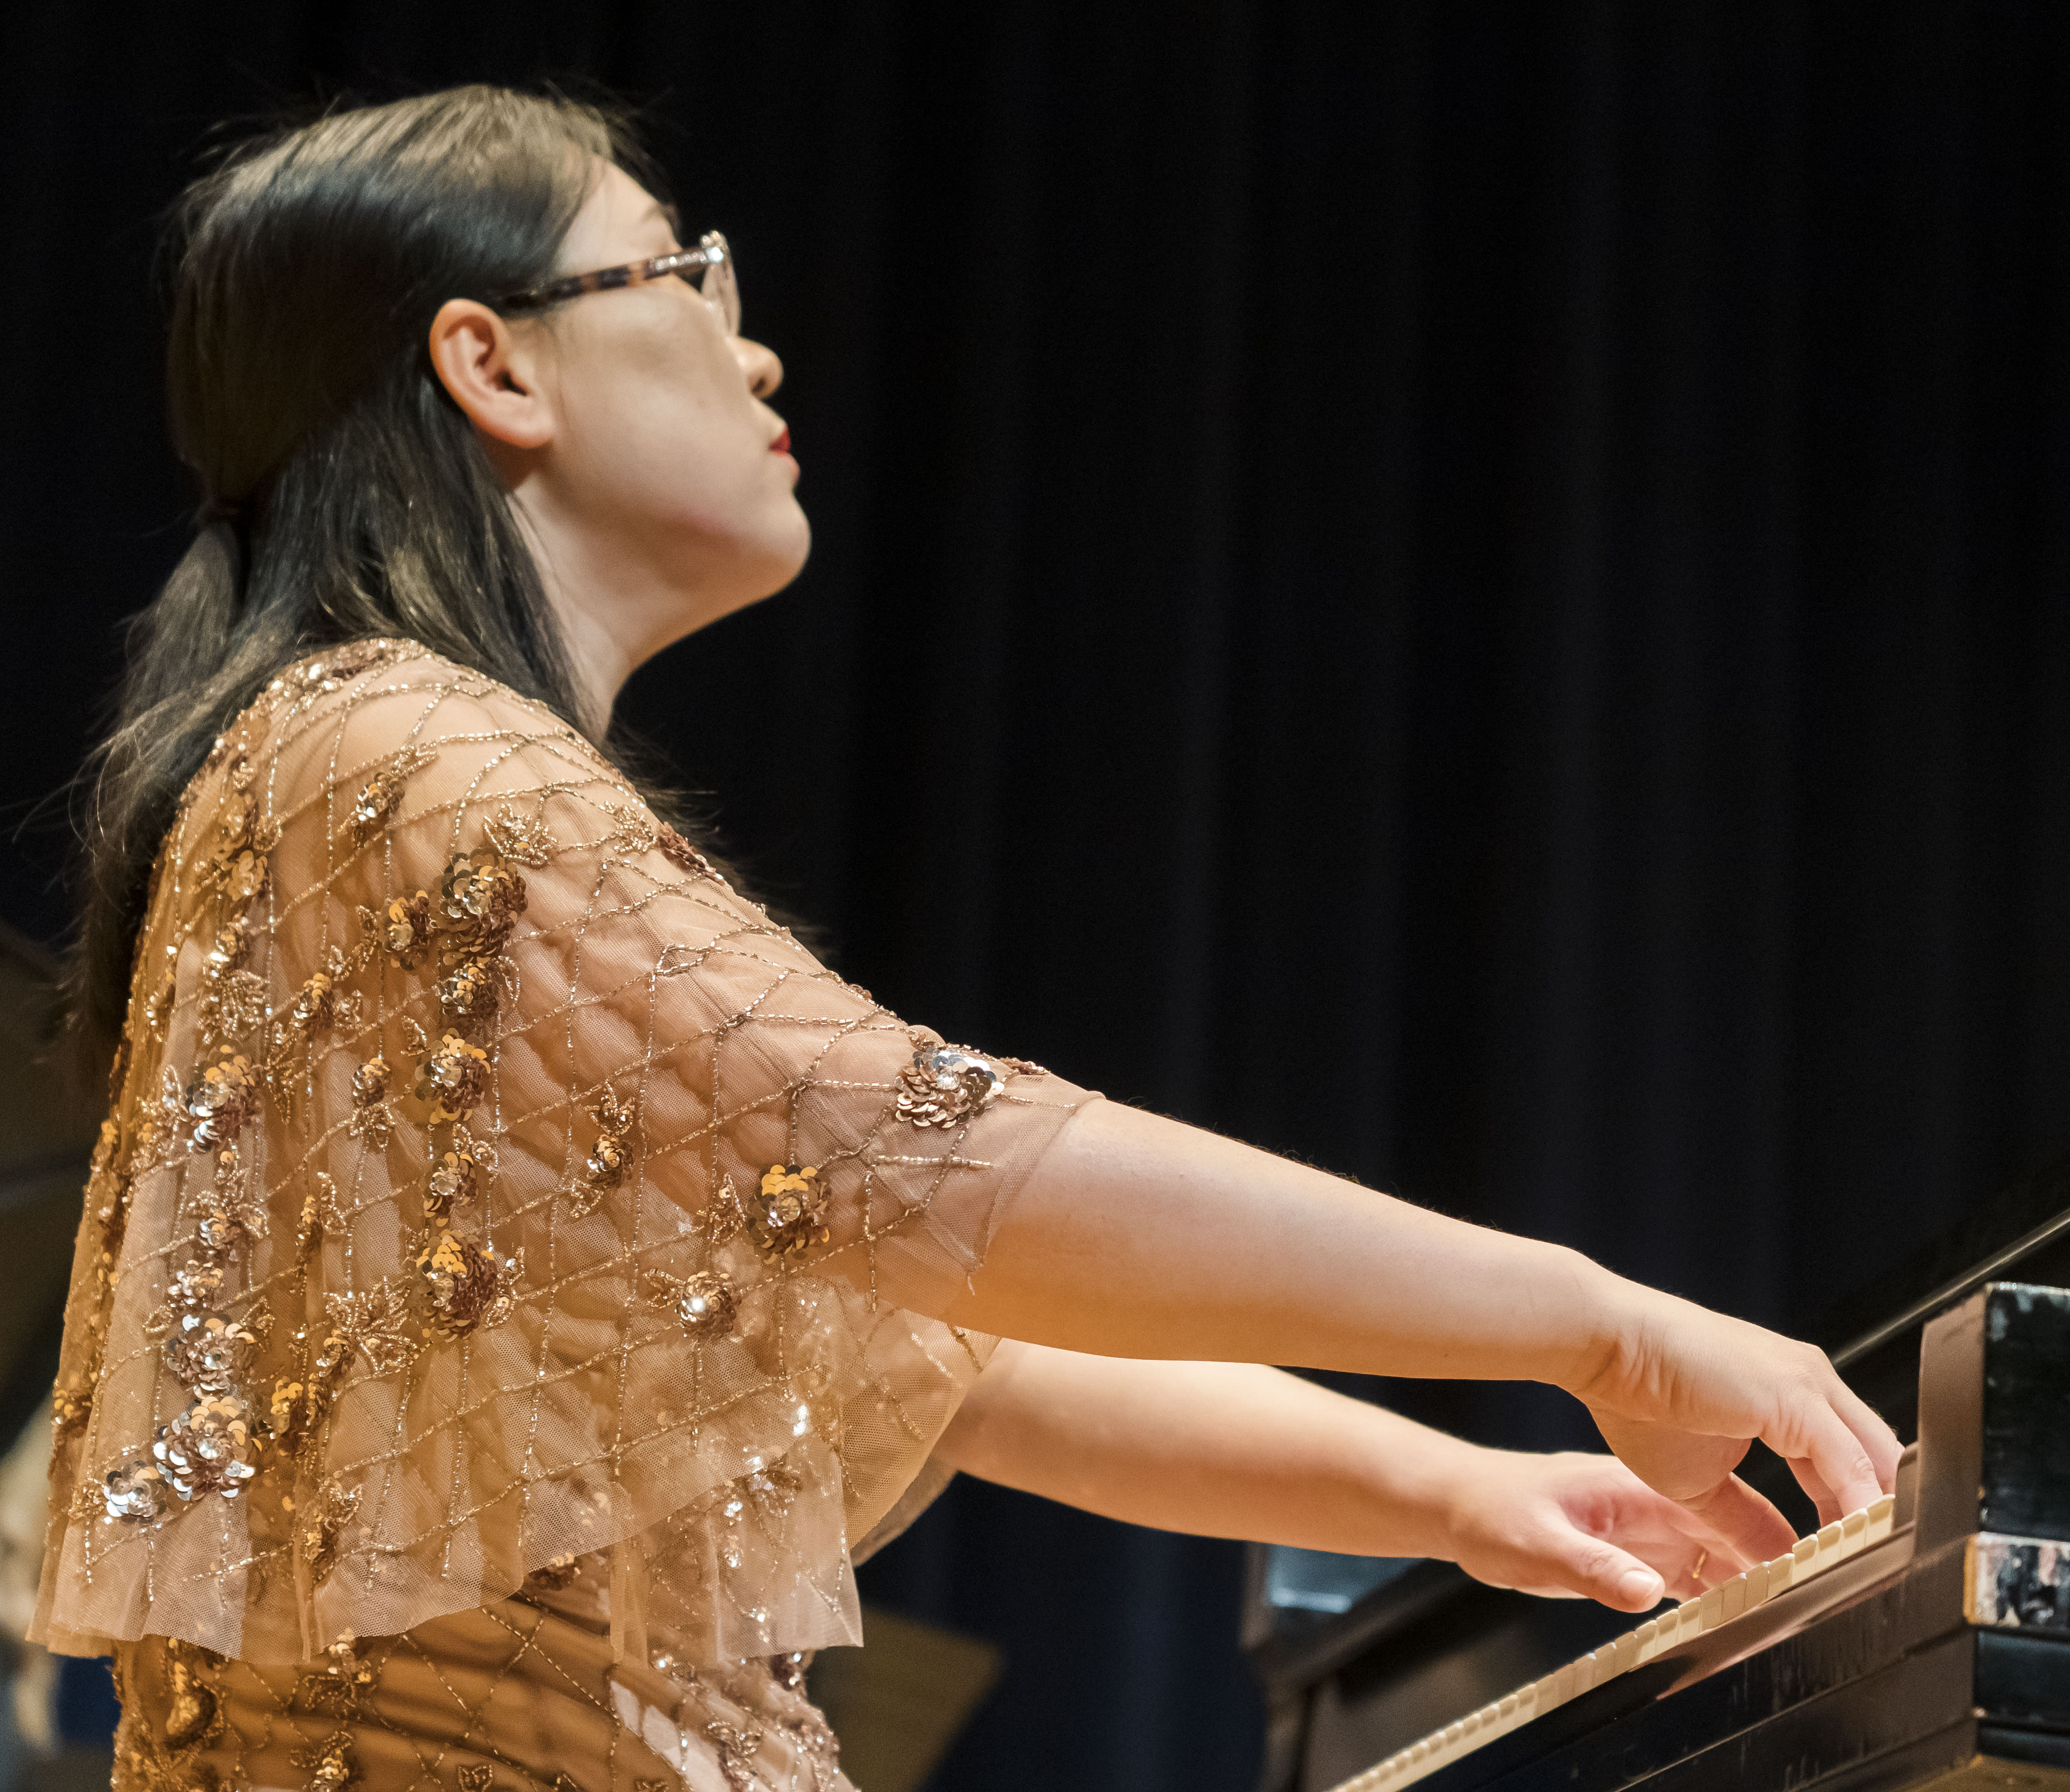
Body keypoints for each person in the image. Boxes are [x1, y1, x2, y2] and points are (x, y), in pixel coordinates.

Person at [40, 86, 1899, 1792]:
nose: (753, 338)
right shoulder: (402, 753)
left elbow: (952, 1350)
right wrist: (1598, 1322)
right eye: (685, 272)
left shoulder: (357, 754)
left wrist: (1464, 1489)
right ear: (490, 363)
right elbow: (927, 1154)